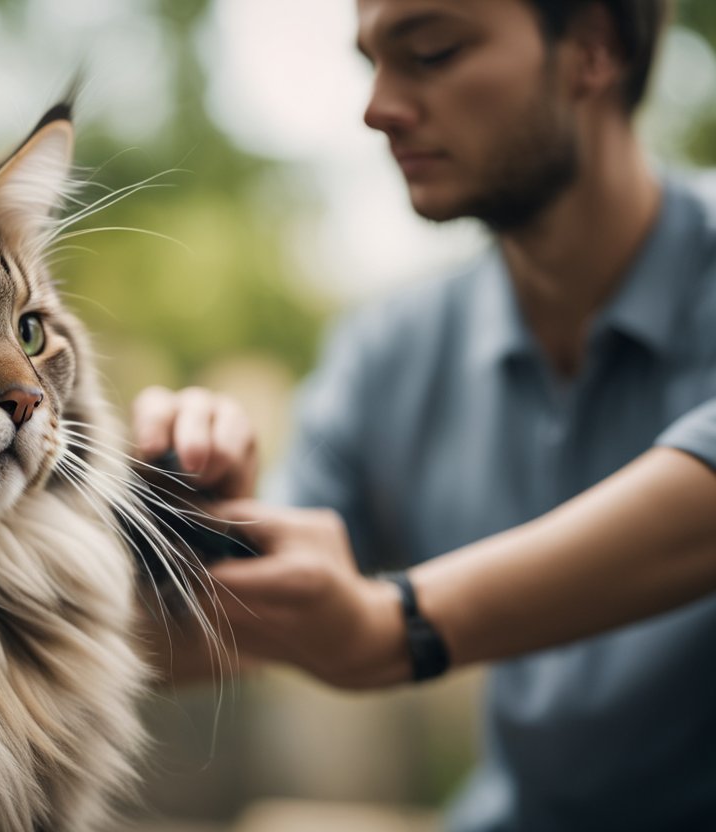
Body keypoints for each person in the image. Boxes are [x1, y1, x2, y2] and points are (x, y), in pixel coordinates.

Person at [132, 0, 716, 829]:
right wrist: (174, 526)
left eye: (432, 52)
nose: (377, 106)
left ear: (593, 47)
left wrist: (398, 624)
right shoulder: (393, 353)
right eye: (371, 60)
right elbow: (254, 617)